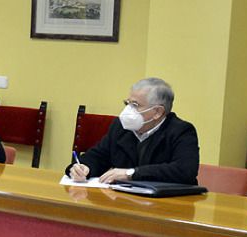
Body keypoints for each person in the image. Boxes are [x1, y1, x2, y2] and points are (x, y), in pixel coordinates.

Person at [66, 76, 199, 184]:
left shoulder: (181, 131)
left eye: (135, 105)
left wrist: (131, 174)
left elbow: (184, 171)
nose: (128, 110)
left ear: (158, 112)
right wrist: (83, 168)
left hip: (168, 203)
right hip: (124, 200)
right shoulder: (120, 127)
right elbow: (98, 156)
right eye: (127, 103)